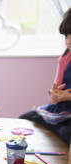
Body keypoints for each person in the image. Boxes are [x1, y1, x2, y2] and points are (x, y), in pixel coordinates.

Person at [19, 8, 71, 144]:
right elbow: (56, 90)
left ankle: (57, 128)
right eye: (66, 36)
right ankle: (56, 126)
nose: (69, 41)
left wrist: (68, 97)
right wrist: (55, 96)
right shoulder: (65, 58)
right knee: (25, 118)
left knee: (67, 133)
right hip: (61, 109)